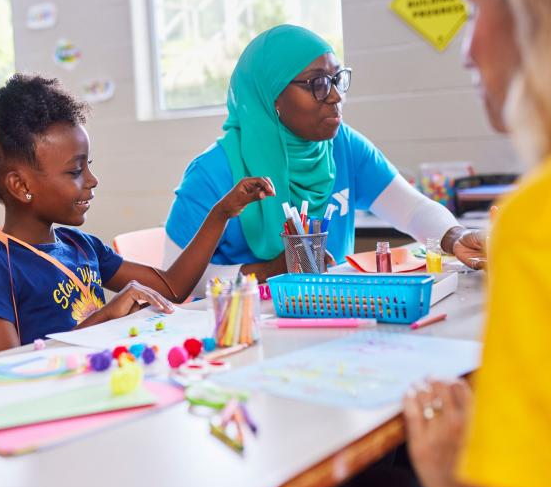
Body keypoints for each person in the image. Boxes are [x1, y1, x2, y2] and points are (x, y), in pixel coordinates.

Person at [0, 74, 274, 355]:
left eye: (88, 166)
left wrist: (222, 212)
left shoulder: (81, 246)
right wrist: (104, 317)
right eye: (75, 170)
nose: (92, 181)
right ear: (20, 185)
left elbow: (172, 288)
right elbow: (1, 369)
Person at [403, 0, 551, 487]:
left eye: (474, 12)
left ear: (528, 13)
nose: (466, 50)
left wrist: (450, 482)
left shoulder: (534, 222)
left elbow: (410, 205)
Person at [164, 25, 485, 295]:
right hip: (237, 335)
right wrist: (265, 271)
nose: (335, 96)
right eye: (316, 83)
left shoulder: (341, 145)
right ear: (271, 96)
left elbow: (412, 209)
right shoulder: (210, 175)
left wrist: (455, 238)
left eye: (336, 79)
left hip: (328, 319)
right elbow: (173, 282)